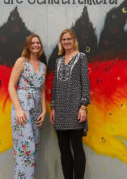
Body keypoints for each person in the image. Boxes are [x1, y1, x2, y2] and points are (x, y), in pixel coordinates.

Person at [50, 29, 90, 179]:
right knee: (64, 150)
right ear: (61, 42)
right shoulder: (58, 61)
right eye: (63, 39)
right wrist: (53, 108)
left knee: (77, 149)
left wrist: (83, 107)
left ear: (74, 41)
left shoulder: (81, 57)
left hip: (75, 110)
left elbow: (85, 83)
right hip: (59, 111)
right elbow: (54, 85)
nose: (66, 42)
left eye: (69, 39)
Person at [8, 34, 46, 179]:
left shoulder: (43, 66)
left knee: (34, 148)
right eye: (33, 43)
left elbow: (42, 90)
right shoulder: (22, 61)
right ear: (28, 45)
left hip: (36, 111)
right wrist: (18, 109)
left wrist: (43, 110)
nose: (36, 45)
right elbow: (11, 86)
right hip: (22, 109)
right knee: (25, 149)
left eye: (38, 42)